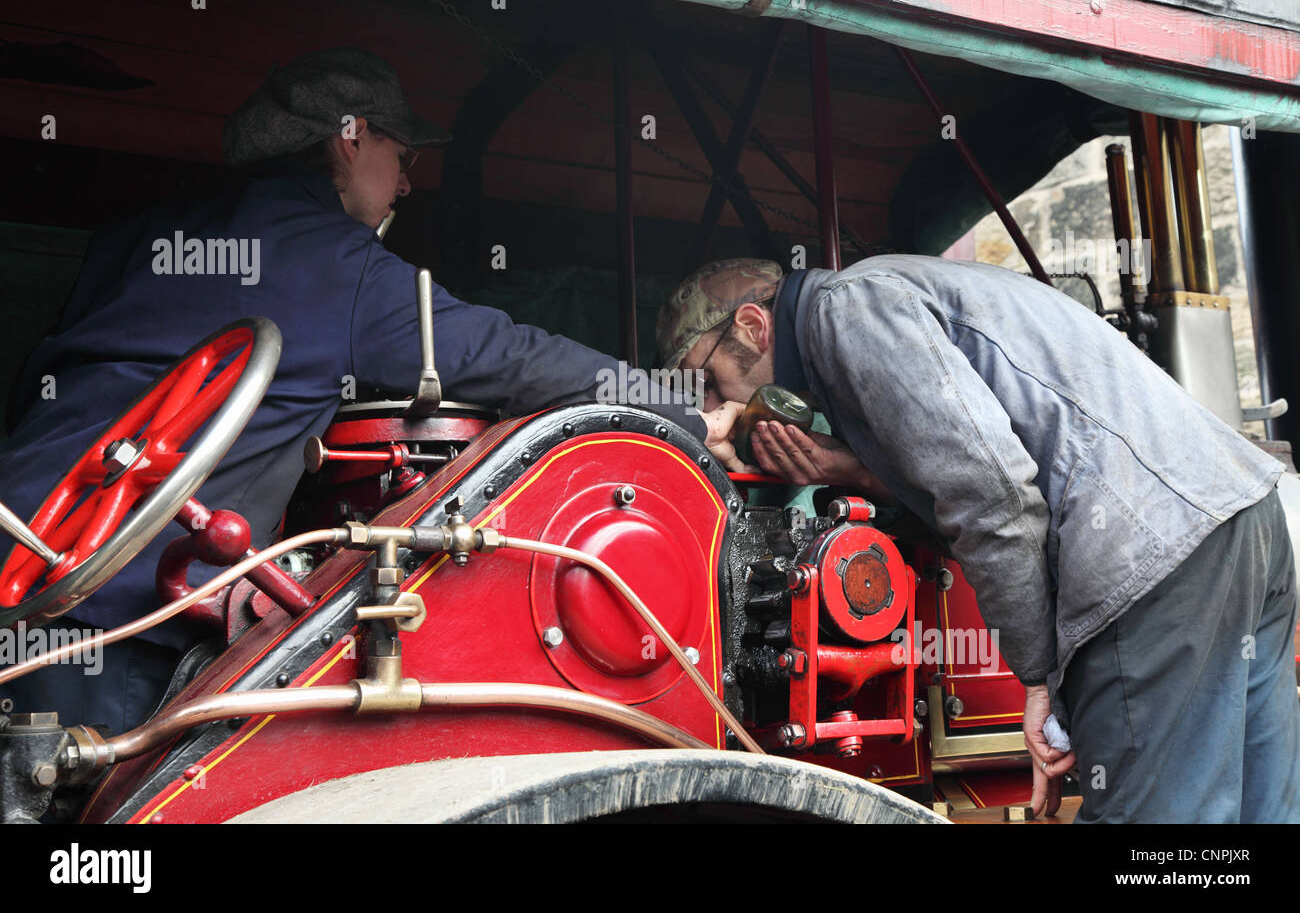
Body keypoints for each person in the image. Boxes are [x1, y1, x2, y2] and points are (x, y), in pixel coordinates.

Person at [0, 47, 738, 736]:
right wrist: (688, 414)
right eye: (402, 154)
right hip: (115, 607)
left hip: (17, 559)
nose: (409, 182)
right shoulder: (340, 267)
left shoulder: (142, 232)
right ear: (348, 142)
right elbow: (511, 357)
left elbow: (42, 375)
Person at [658, 255, 1299, 823]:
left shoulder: (846, 311)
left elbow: (992, 495)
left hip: (1152, 553)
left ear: (750, 324)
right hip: (1241, 515)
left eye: (708, 380)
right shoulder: (889, 293)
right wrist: (847, 469)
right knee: (1259, 811)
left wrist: (1039, 675)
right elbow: (989, 456)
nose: (724, 404)